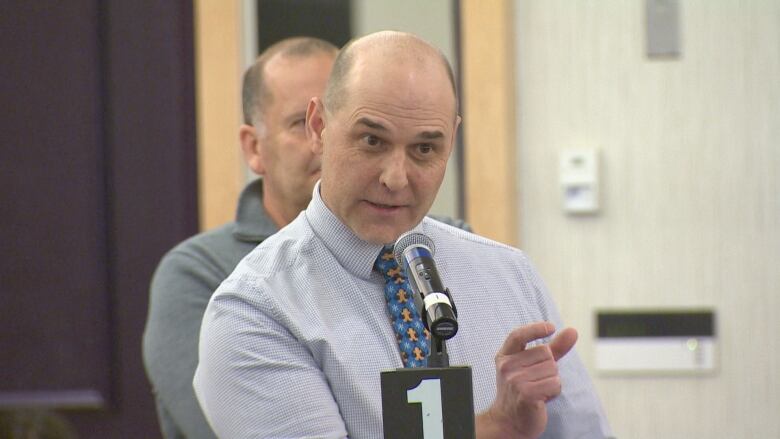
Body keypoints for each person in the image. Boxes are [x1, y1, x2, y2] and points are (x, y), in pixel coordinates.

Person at [194, 31, 612, 439]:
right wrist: (495, 428)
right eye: (372, 141)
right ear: (318, 126)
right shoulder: (254, 311)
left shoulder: (509, 275)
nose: (396, 179)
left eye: (424, 150)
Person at [142, 36, 469, 439]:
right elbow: (239, 422)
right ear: (254, 147)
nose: (325, 138)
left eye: (345, 119)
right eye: (304, 123)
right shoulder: (203, 275)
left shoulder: (445, 250)